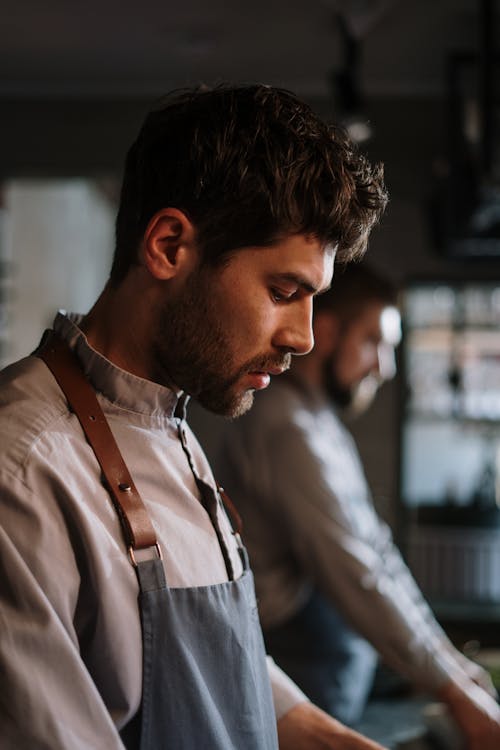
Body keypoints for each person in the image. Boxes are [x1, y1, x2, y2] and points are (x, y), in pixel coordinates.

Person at [0, 85, 389, 750]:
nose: (305, 337)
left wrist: (337, 742)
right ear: (170, 245)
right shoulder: (23, 470)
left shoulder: (170, 423)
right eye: (284, 292)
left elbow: (211, 665)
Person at [214, 262, 500, 750]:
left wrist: (453, 665)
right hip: (300, 673)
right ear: (325, 332)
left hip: (338, 668)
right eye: (374, 342)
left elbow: (380, 556)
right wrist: (454, 694)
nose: (384, 367)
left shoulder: (319, 420)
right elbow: (357, 576)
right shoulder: (288, 431)